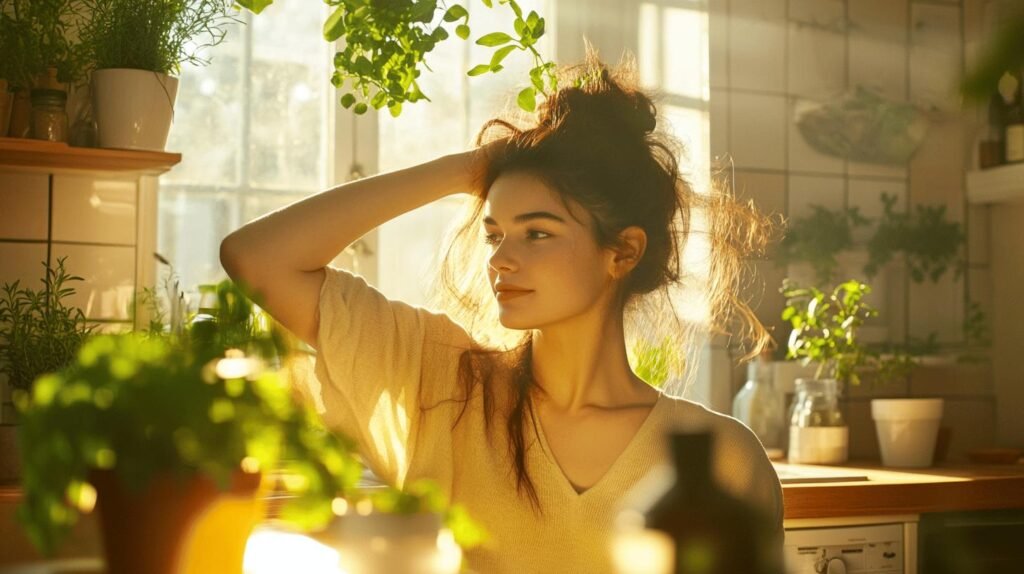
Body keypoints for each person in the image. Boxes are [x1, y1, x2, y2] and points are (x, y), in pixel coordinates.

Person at [220, 52, 784, 573]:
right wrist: (468, 168)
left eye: (537, 233)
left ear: (623, 252)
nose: (500, 260)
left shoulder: (724, 460)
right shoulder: (442, 385)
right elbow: (257, 258)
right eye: (494, 235)